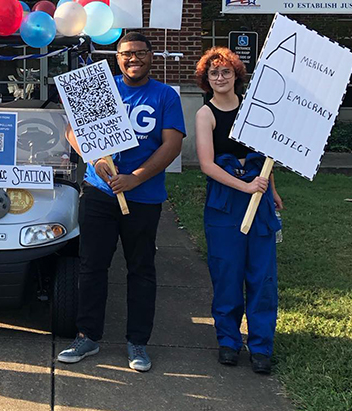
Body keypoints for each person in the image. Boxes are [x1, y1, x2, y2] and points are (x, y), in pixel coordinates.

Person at [58, 32, 186, 372]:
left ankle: (137, 343)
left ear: (151, 56)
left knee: (140, 268)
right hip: (100, 192)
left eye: (141, 53)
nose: (134, 59)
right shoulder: (101, 88)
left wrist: (136, 178)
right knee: (92, 265)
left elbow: (172, 145)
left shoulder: (164, 96)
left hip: (143, 197)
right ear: (118, 57)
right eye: (128, 53)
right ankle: (87, 336)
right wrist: (92, 156)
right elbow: (73, 130)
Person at [193, 46, 283, 375]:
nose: (220, 77)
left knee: (262, 275)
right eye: (213, 73)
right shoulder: (206, 114)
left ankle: (261, 345)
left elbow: (265, 155)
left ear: (236, 76)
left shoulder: (252, 109)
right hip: (225, 201)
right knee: (227, 273)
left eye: (226, 72)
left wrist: (270, 190)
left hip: (258, 200)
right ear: (206, 79)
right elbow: (206, 164)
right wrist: (243, 186)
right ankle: (228, 341)